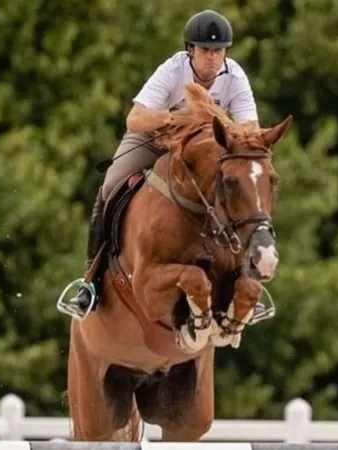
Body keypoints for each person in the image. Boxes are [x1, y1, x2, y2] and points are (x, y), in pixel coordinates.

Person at [56, 9, 261, 320]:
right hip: (155, 138)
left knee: (244, 188)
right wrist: (179, 120)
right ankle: (90, 282)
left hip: (207, 147)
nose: (212, 57)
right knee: (111, 184)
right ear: (190, 50)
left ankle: (245, 277)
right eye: (205, 49)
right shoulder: (172, 70)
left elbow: (251, 131)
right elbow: (135, 119)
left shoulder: (235, 77)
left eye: (218, 50)